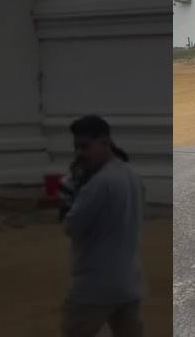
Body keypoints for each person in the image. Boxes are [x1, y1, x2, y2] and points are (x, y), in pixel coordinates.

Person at [61, 115, 146, 337]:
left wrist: (73, 193)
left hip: (95, 285)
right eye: (77, 147)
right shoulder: (132, 175)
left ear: (105, 142)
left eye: (85, 146)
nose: (80, 153)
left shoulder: (98, 184)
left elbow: (71, 226)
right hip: (129, 281)